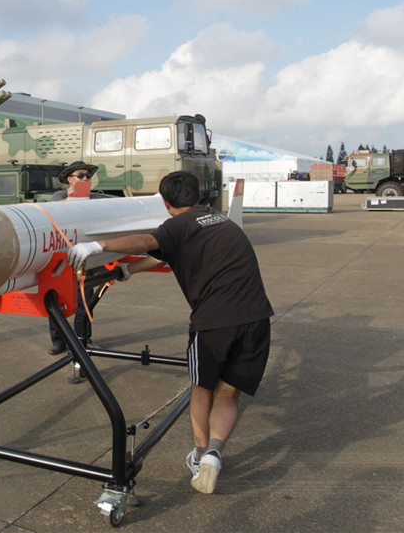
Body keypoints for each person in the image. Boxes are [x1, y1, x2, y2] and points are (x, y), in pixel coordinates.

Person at [67, 171, 272, 494]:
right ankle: (214, 454)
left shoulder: (177, 225)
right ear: (198, 195)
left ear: (164, 202)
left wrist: (97, 246)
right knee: (229, 393)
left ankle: (200, 453)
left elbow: (150, 241)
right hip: (257, 317)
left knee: (202, 388)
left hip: (213, 323)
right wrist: (127, 271)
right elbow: (162, 252)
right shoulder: (218, 220)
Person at [46, 161, 99, 355]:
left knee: (85, 298)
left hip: (84, 254)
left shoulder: (93, 198)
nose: (85, 178)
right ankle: (58, 340)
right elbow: (55, 209)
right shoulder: (60, 196)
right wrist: (75, 196)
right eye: (81, 175)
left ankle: (83, 337)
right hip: (62, 256)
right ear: (70, 179)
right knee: (56, 299)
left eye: (88, 176)